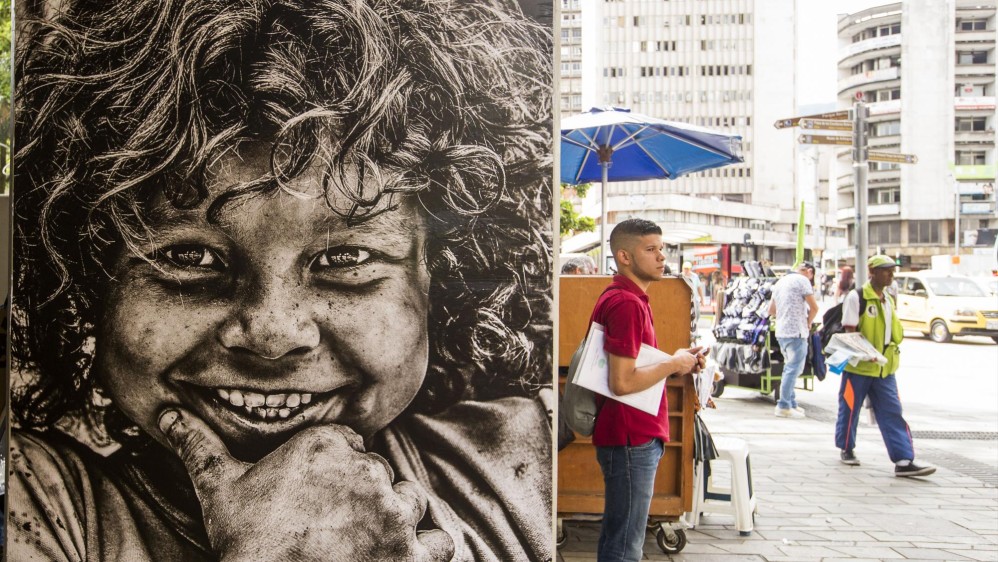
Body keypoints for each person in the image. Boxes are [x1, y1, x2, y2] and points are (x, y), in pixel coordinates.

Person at [8, 0, 553, 560]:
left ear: (443, 278)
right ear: (87, 283)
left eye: (347, 259)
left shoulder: (523, 467)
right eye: (191, 257)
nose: (272, 334)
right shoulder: (34, 504)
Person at [590, 219, 705, 562]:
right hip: (631, 435)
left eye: (662, 248)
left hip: (631, 435)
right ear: (624, 256)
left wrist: (678, 361)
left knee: (621, 537)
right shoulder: (626, 303)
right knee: (625, 546)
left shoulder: (629, 298)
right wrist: (673, 365)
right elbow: (622, 382)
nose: (661, 257)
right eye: (650, 249)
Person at [835, 255, 935, 477]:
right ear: (872, 271)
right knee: (850, 409)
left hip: (884, 368)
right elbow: (850, 331)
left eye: (892, 271)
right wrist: (865, 353)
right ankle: (846, 448)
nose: (891, 275)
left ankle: (903, 460)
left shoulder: (888, 298)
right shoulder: (857, 297)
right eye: (886, 271)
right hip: (859, 367)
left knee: (892, 411)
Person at [767, 261, 819, 418]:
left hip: (781, 332)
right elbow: (815, 307)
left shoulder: (780, 281)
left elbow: (771, 310)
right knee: (793, 369)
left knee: (789, 368)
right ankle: (783, 405)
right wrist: (808, 322)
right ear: (809, 271)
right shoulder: (803, 281)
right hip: (796, 331)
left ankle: (792, 403)